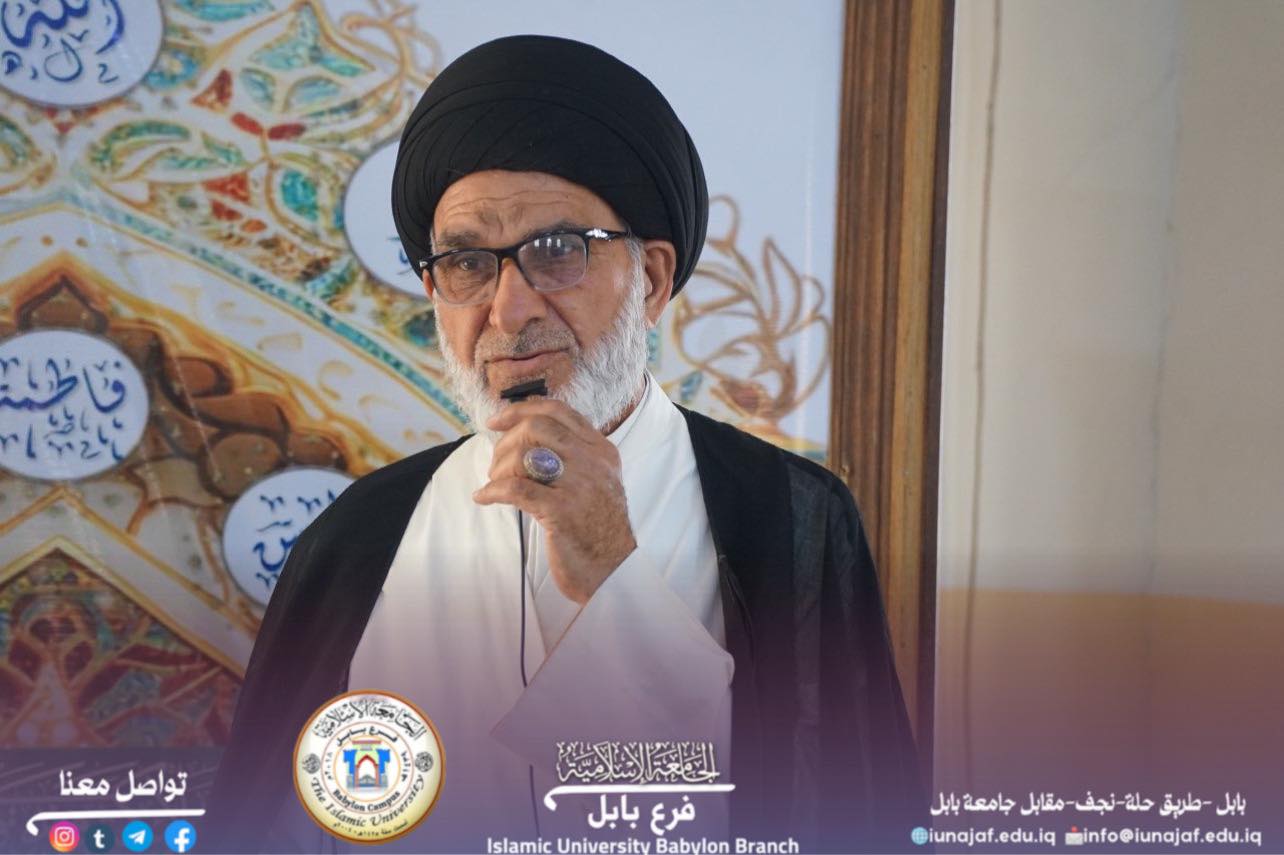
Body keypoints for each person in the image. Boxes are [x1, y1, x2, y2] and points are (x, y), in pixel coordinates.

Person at [208, 34, 923, 853]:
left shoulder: (789, 517)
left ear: (650, 279)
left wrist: (613, 569)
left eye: (556, 252)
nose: (509, 310)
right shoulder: (358, 538)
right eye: (468, 263)